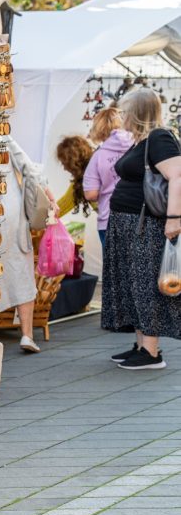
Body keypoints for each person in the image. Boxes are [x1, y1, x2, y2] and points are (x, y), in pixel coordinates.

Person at [102, 87, 181, 370]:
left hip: (145, 225)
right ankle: (140, 344)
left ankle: (151, 351)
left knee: (145, 283)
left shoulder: (160, 138)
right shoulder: (142, 141)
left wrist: (174, 218)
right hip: (129, 223)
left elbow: (178, 176)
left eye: (125, 111)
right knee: (132, 283)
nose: (121, 116)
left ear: (137, 112)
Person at [0, 137, 42, 353]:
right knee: (21, 271)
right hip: (11, 213)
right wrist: (30, 204)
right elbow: (31, 171)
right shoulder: (1, 136)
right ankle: (27, 335)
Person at [84, 107, 133, 252]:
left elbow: (90, 194)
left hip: (108, 217)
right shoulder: (137, 146)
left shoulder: (98, 156)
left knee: (114, 269)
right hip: (138, 216)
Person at [55, 135, 95, 217]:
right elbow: (64, 203)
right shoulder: (81, 181)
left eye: (65, 164)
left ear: (74, 163)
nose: (65, 169)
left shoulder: (96, 174)